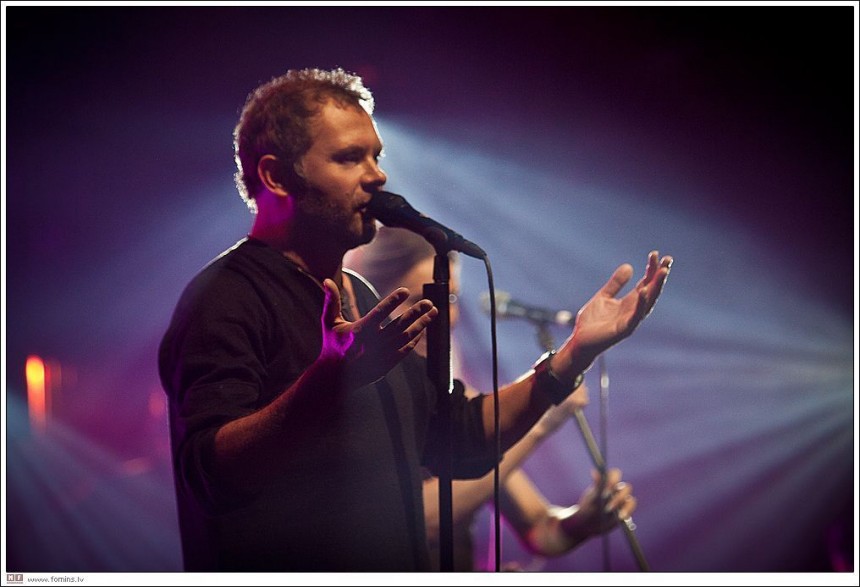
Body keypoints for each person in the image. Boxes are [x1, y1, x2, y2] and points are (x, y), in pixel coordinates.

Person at [158, 67, 672, 572]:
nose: (376, 175)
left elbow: (459, 440)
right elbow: (209, 475)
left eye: (376, 156)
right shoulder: (227, 296)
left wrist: (574, 353)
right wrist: (328, 381)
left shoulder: (360, 295)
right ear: (275, 176)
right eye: (349, 158)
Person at [346, 227, 637, 571]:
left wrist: (581, 521)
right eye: (421, 300)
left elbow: (541, 531)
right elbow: (415, 522)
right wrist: (539, 424)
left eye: (450, 299)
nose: (443, 316)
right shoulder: (356, 405)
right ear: (373, 305)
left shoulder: (458, 406)